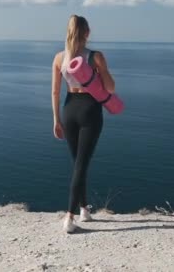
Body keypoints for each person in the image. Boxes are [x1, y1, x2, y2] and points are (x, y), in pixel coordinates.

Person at [51, 15, 116, 233]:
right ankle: (69, 216)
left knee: (78, 163)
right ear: (87, 33)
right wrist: (102, 74)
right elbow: (110, 89)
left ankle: (83, 210)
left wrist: (56, 120)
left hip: (68, 109)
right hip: (90, 110)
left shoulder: (59, 58)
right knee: (81, 164)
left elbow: (55, 91)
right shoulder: (96, 57)